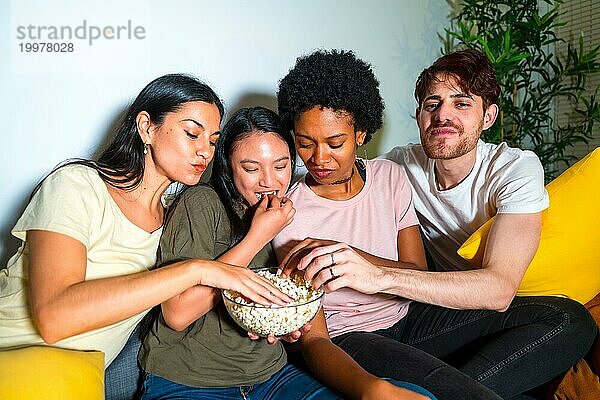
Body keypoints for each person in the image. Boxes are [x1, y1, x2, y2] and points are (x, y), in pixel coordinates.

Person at [275, 49, 597, 399]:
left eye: (461, 103)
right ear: (419, 114)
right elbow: (311, 331)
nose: (443, 116)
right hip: (355, 335)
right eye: (433, 104)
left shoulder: (400, 175)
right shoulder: (295, 206)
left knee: (571, 319)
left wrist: (364, 265)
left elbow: (495, 288)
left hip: (414, 315)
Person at [0, 74, 292, 399]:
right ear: (146, 127)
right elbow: (53, 318)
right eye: (192, 133)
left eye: (212, 141)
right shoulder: (76, 185)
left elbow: (185, 305)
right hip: (12, 357)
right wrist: (198, 269)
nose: (204, 152)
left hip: (77, 377)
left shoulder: (173, 216)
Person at [137, 106, 434, 400]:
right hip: (188, 381)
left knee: (417, 395)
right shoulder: (202, 203)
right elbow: (177, 314)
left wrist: (289, 329)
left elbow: (310, 330)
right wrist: (258, 236)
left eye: (280, 166)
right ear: (228, 165)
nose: (269, 181)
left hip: (272, 377)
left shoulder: (289, 212)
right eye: (251, 169)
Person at [273, 49, 502, 400]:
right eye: (305, 143)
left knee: (563, 317)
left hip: (409, 318)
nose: (319, 159)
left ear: (361, 134)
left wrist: (352, 258)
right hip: (352, 338)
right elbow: (314, 338)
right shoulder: (289, 210)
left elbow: (416, 270)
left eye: (336, 143)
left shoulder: (390, 177)